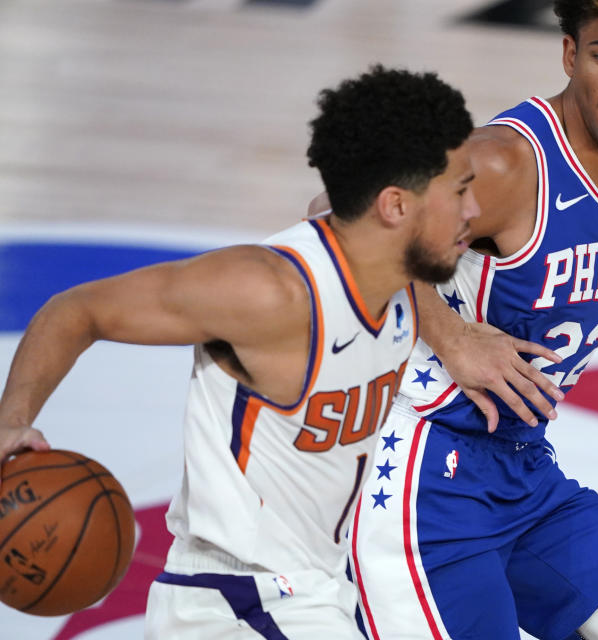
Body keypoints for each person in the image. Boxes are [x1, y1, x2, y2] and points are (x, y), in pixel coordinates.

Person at [0, 65, 479, 639]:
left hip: (312, 588)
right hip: (236, 604)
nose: (473, 210)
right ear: (396, 206)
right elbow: (76, 311)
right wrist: (10, 424)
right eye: (459, 191)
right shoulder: (268, 293)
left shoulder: (396, 276)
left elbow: (331, 198)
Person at [349, 3, 598, 639]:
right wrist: (452, 336)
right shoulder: (508, 163)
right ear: (570, 55)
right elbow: (341, 213)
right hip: (418, 477)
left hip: (524, 471)